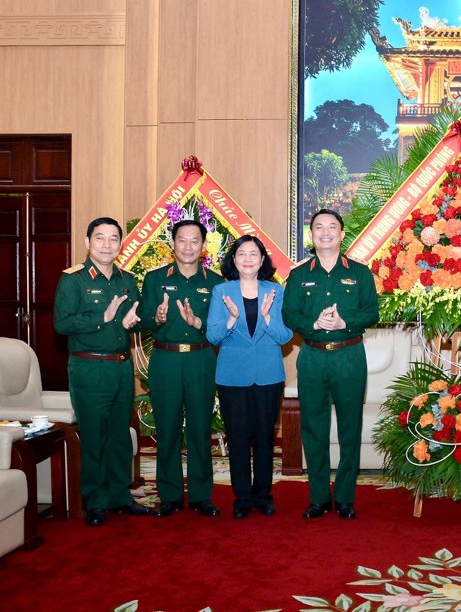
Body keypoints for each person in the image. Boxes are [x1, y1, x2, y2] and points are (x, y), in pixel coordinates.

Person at [281, 209, 378, 520]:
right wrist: (314, 323)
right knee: (314, 428)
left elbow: (372, 312)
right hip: (312, 357)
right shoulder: (299, 275)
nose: (325, 232)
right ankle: (319, 497)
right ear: (312, 235)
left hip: (349, 357)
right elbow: (289, 314)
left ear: (342, 233)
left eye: (332, 227)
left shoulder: (360, 273)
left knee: (350, 428)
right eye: (318, 227)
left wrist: (344, 321)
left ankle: (346, 498)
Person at [53, 217, 150, 526]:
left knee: (121, 434)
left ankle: (120, 495)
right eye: (100, 238)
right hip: (89, 367)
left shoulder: (127, 280)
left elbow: (134, 318)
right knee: (94, 436)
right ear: (87, 242)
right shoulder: (73, 280)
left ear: (120, 245)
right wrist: (102, 316)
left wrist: (141, 319)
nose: (107, 244)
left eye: (113, 239)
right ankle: (95, 500)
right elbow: (62, 323)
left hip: (121, 368)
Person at [206, 235, 292, 519]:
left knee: (265, 438)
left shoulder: (275, 291)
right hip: (232, 376)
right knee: (239, 437)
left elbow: (284, 336)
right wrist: (230, 319)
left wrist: (267, 317)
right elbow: (213, 335)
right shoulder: (222, 292)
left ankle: (263, 495)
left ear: (262, 259)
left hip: (268, 375)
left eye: (253, 254)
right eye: (241, 253)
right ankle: (242, 497)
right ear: (233, 259)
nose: (247, 259)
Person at [140, 219, 222, 518]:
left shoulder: (215, 282)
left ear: (203, 246)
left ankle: (202, 496)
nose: (188, 247)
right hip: (166, 360)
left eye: (195, 241)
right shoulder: (155, 279)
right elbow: (143, 318)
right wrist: (158, 317)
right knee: (168, 428)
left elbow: (219, 328)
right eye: (182, 240)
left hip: (201, 359)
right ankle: (170, 495)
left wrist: (197, 323)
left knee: (201, 428)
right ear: (172, 244)